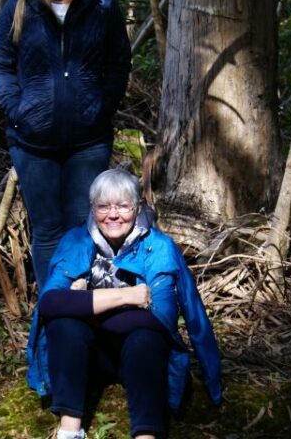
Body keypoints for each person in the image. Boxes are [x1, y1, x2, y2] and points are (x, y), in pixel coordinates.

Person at [0, 0, 132, 288]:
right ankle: (54, 315)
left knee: (82, 227)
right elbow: (0, 65)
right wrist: (20, 111)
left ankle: (87, 311)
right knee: (48, 230)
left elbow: (119, 63)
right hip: (33, 145)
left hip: (88, 142)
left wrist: (102, 107)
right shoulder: (18, 9)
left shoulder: (100, 6)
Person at [26, 169, 223, 439]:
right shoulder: (75, 240)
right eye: (103, 206)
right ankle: (70, 430)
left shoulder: (159, 247)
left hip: (140, 357)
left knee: (147, 337)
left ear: (138, 207)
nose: (113, 215)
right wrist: (129, 296)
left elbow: (158, 317)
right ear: (92, 209)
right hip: (90, 356)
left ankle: (146, 434)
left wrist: (82, 304)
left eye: (123, 206)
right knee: (64, 325)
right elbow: (49, 304)